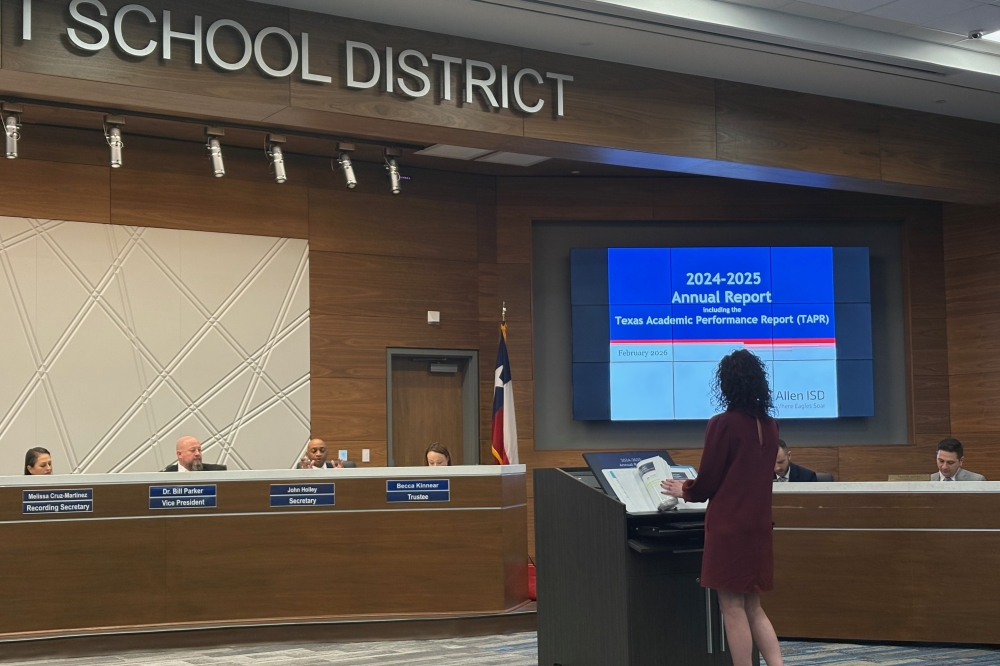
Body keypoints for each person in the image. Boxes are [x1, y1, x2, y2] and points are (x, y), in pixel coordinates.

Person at [661, 349, 784, 666]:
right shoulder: (770, 426)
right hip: (759, 528)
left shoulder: (723, 424)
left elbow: (708, 481)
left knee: (731, 607)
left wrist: (684, 489)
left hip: (729, 528)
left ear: (726, 384)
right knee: (753, 606)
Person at [162, 436, 228, 472]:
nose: (197, 453)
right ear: (179, 454)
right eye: (192, 450)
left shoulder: (216, 472)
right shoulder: (164, 475)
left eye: (199, 450)